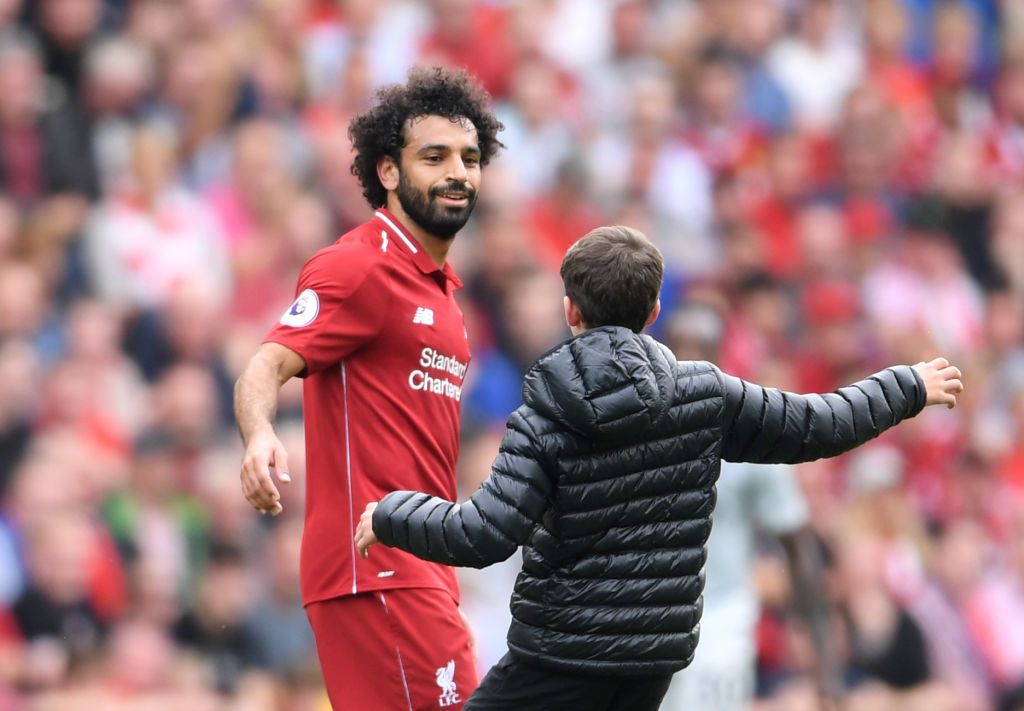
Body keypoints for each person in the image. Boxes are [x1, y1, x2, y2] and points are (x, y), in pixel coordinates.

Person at [354, 225, 964, 711]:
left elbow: (483, 534)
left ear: (570, 309)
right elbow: (818, 424)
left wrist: (391, 513)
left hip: (560, 655)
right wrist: (908, 383)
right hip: (654, 662)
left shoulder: (543, 411)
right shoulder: (706, 395)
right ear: (652, 311)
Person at [233, 66, 504, 710]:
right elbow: (265, 364)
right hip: (375, 567)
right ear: (388, 171)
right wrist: (259, 434)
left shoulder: (443, 293)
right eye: (434, 157)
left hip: (422, 566)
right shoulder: (357, 266)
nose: (457, 173)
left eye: (470, 158)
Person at [659, 302, 838, 711]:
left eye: (699, 347)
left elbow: (797, 548)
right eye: (678, 347)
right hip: (648, 619)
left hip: (721, 619)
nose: (687, 359)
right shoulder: (636, 432)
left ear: (719, 358)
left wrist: (825, 664)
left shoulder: (751, 438)